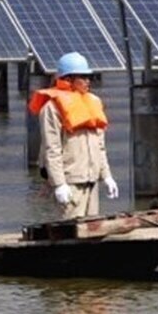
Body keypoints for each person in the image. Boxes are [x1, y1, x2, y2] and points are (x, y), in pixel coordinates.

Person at [28, 52, 118, 219]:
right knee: (70, 231)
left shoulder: (94, 102)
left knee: (91, 231)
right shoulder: (52, 108)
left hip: (92, 180)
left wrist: (106, 176)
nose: (88, 81)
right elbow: (52, 149)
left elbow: (100, 146)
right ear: (68, 79)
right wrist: (59, 184)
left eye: (88, 76)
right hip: (70, 182)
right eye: (82, 77)